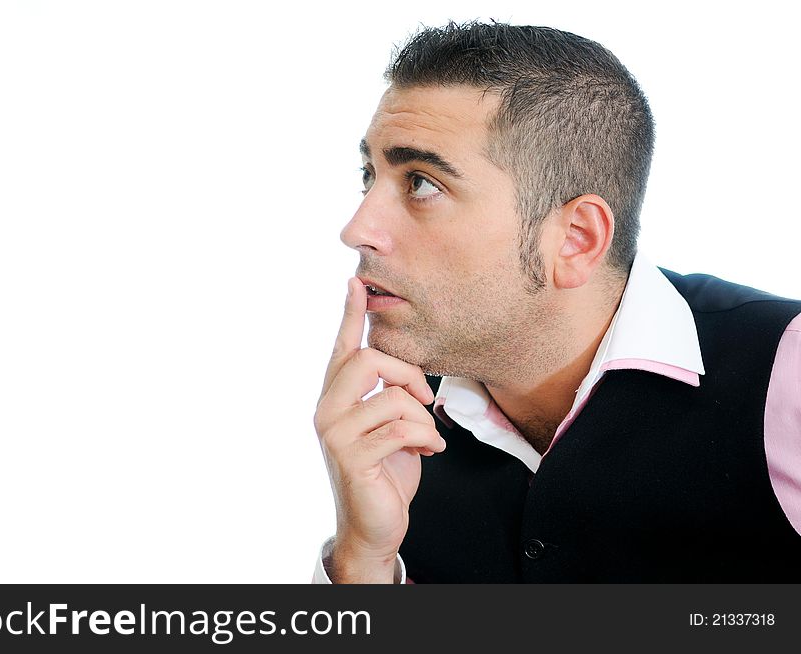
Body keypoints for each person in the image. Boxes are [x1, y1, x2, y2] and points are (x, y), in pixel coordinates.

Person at [312, 21, 801, 583]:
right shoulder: (401, 437)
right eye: (368, 175)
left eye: (421, 182)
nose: (357, 229)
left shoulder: (784, 370)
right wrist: (364, 560)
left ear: (576, 240)